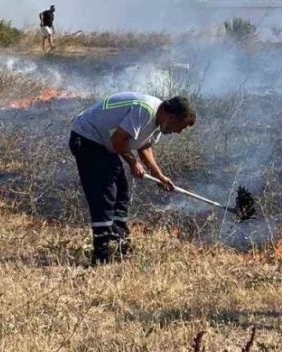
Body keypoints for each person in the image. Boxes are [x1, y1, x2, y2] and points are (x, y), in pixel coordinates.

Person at [68, 92, 196, 265]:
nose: (179, 132)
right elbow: (118, 140)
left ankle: (120, 244)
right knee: (106, 193)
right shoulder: (144, 110)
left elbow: (144, 146)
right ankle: (101, 255)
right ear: (171, 117)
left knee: (121, 191)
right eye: (180, 127)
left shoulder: (158, 121)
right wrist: (133, 163)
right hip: (87, 139)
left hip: (104, 145)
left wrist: (159, 176)